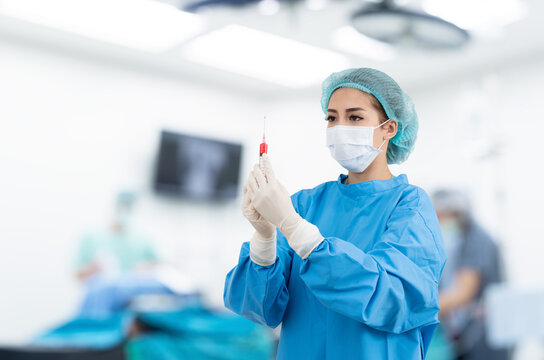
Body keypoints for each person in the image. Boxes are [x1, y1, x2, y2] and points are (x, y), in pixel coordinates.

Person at [224, 68, 447, 359]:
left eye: (355, 117)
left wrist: (298, 233)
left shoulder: (409, 205)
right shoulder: (304, 204)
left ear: (389, 128)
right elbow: (259, 309)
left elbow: (392, 298)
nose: (340, 127)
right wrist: (265, 238)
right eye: (332, 118)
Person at [432, 190, 509, 360]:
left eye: (440, 216)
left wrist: (417, 308)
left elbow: (462, 294)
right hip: (465, 335)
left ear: (454, 212)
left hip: (485, 337)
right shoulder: (457, 241)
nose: (438, 222)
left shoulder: (476, 239)